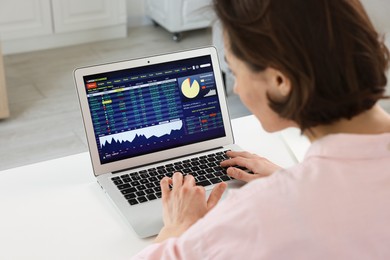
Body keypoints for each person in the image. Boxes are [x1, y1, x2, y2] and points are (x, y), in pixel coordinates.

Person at [133, 0, 390, 258]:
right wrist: (292, 178)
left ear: (280, 81)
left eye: (234, 72)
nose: (236, 89)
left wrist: (177, 228)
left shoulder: (258, 215)